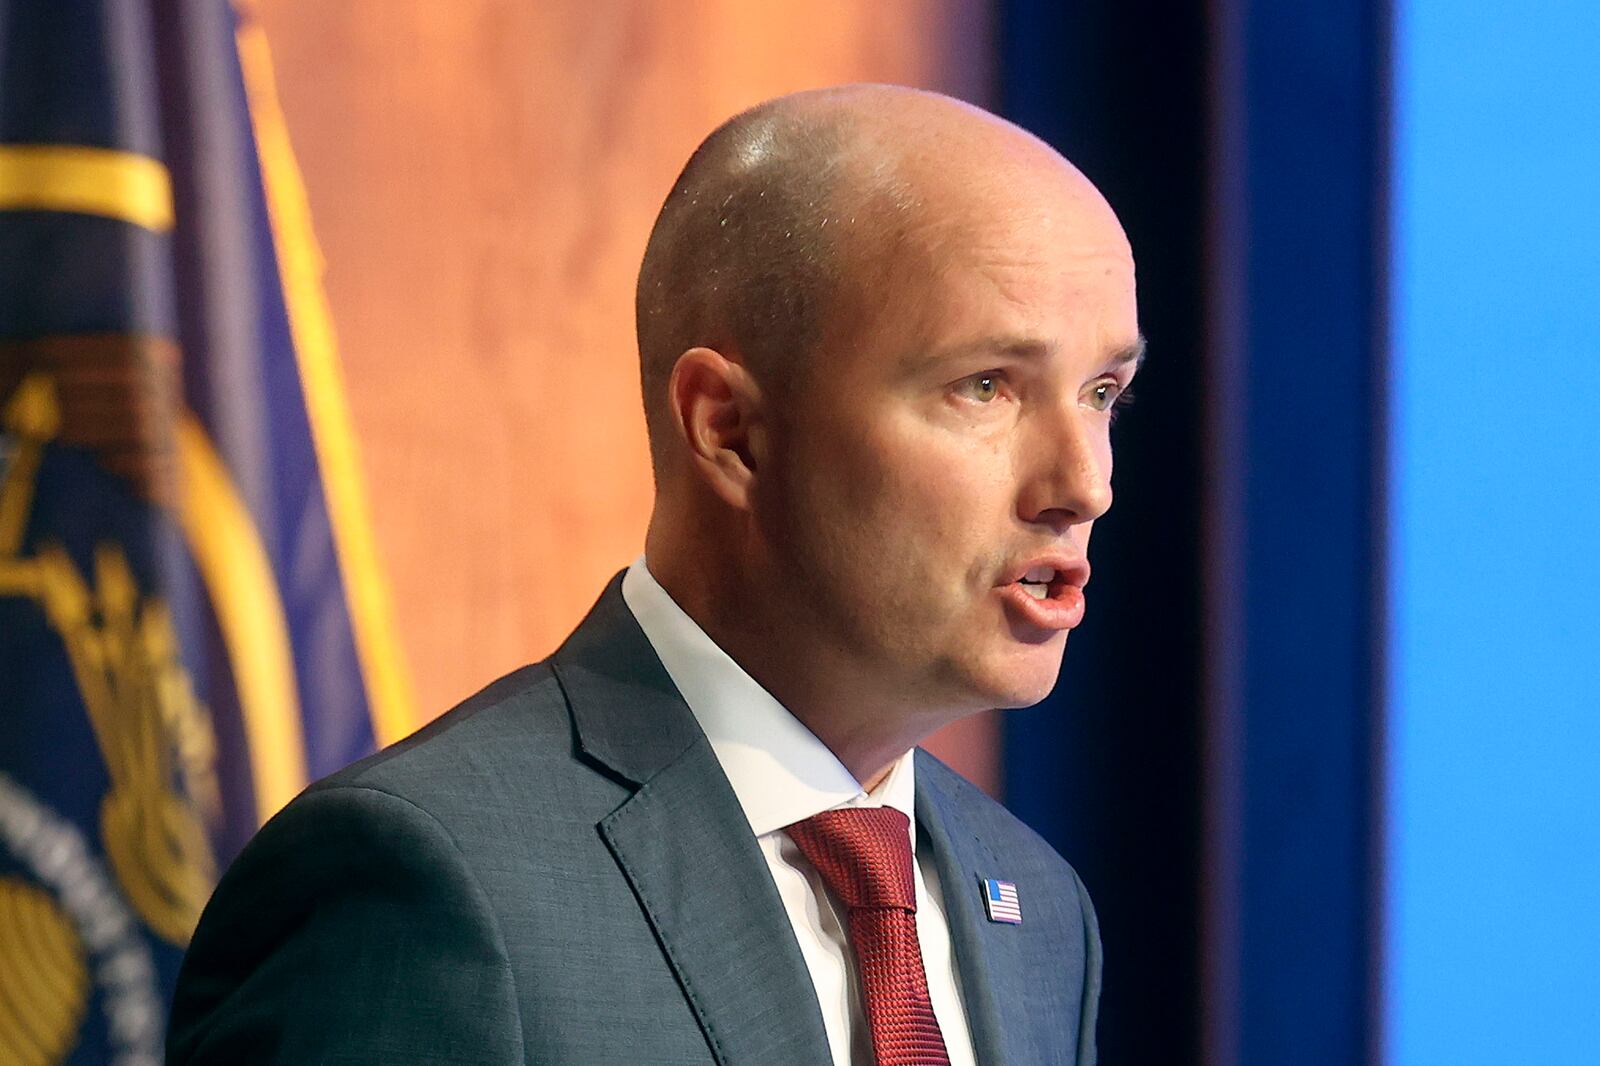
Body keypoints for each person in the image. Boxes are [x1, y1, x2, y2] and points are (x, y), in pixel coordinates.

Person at [168, 83, 1142, 1066]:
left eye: (1103, 391)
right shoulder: (424, 881)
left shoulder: (1037, 906)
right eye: (987, 386)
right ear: (729, 430)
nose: (1085, 482)